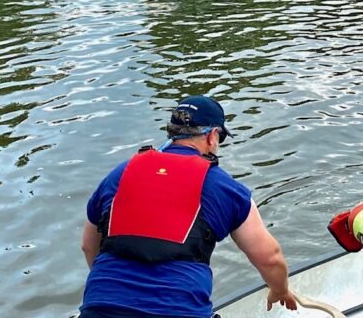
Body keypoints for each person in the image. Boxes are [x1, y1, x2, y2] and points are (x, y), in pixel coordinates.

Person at [78, 95, 298, 317]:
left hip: (99, 307)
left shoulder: (120, 174)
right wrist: (280, 290)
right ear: (212, 136)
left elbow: (88, 245)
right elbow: (270, 258)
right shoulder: (224, 187)